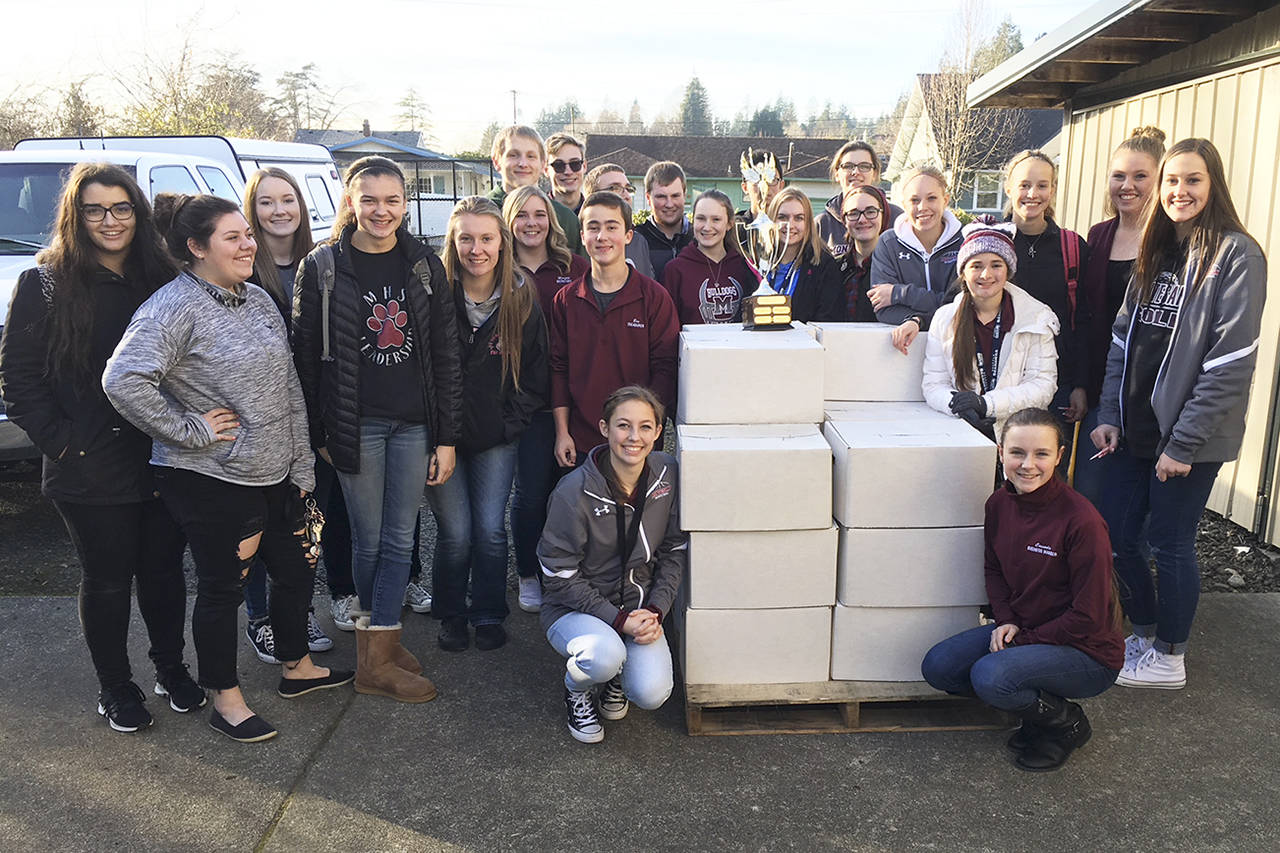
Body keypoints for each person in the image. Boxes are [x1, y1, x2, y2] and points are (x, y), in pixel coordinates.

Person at [103, 193, 353, 744]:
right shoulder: (172, 308)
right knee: (223, 590)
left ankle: (297, 667)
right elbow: (122, 380)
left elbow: (288, 385)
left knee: (294, 573)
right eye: (233, 237)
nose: (248, 244)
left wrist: (301, 463)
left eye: (248, 234)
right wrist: (191, 430)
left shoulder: (258, 300)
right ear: (196, 248)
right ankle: (227, 698)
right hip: (210, 479)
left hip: (278, 472)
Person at [0, 163, 201, 734]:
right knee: (108, 578)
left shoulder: (164, 278)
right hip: (86, 466)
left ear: (138, 213)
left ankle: (171, 668)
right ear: (75, 215)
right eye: (94, 209)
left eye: (121, 208)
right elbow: (19, 381)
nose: (109, 221)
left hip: (163, 455)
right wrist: (65, 446)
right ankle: (116, 686)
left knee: (163, 573)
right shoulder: (45, 283)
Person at [1091, 137, 1267, 690]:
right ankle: (1143, 634)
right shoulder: (1158, 247)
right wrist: (1109, 411)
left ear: (1212, 185)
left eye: (1192, 180)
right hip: (1134, 428)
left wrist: (1183, 445)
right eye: (1172, 180)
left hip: (1186, 438)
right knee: (1119, 537)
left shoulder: (1236, 255)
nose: (1179, 191)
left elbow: (1230, 362)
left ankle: (1170, 657)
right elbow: (1124, 338)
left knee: (1169, 541)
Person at [292, 155, 463, 704]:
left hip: (415, 423)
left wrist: (446, 436)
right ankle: (378, 655)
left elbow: (444, 354)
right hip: (354, 423)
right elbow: (303, 361)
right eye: (369, 200)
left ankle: (379, 647)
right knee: (368, 539)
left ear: (405, 203)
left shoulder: (421, 265)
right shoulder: (321, 267)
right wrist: (319, 429)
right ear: (350, 201)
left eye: (392, 200)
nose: (381, 211)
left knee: (399, 535)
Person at [921, 407, 1123, 772]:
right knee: (940, 667)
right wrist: (1006, 621)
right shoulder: (999, 504)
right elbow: (994, 568)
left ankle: (1066, 724)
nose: (1028, 465)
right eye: (1017, 453)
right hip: (1027, 629)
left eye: (1041, 454)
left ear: (1059, 456)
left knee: (990, 675)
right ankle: (1033, 709)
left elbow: (1089, 617)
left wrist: (1024, 639)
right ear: (1001, 453)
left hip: (1085, 651)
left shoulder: (1082, 521)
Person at [429, 197, 548, 653]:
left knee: (490, 530)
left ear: (502, 243)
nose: (476, 249)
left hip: (496, 438)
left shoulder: (520, 297)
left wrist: (509, 425)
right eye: (466, 238)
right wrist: (436, 432)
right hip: (443, 438)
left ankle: (488, 613)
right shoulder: (434, 295)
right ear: (452, 242)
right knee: (456, 532)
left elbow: (535, 375)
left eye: (486, 238)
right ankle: (452, 613)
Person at [537, 385, 686, 743]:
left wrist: (655, 611)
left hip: (639, 608)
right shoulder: (572, 492)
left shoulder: (668, 473)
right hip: (574, 611)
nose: (634, 437)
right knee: (603, 655)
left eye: (646, 427)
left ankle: (618, 676)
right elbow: (558, 576)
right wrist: (619, 621)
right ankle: (577, 687)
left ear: (658, 432)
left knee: (652, 693)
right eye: (623, 425)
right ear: (604, 428)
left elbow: (674, 550)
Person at [240, 167, 335, 662]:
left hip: (308, 418)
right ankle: (261, 619)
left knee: (302, 520)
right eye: (266, 202)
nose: (279, 211)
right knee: (255, 523)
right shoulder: (239, 266)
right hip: (255, 423)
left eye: (288, 201)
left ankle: (296, 610)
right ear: (251, 210)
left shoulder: (320, 264)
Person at [503, 185, 589, 613]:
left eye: (539, 214)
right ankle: (527, 573)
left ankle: (567, 571)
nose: (531, 223)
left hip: (576, 395)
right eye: (522, 215)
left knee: (571, 491)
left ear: (551, 220)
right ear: (509, 222)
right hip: (528, 401)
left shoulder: (573, 266)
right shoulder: (499, 268)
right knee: (532, 492)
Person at [548, 192, 679, 469]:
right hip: (582, 440)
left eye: (611, 227)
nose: (602, 236)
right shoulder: (566, 300)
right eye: (593, 228)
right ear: (582, 236)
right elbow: (559, 368)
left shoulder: (654, 298)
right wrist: (561, 433)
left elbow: (665, 369)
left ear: (628, 235)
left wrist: (645, 429)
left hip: (636, 443)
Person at [1073, 127, 1167, 506]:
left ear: (1159, 179)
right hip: (1102, 385)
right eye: (1119, 176)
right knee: (1088, 490)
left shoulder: (1170, 240)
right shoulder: (1098, 236)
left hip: (1149, 389)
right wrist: (1080, 382)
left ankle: (1124, 566)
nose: (1127, 186)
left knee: (1132, 505)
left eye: (1140, 176)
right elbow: (1082, 316)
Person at [921, 223, 1058, 440]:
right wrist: (958, 405)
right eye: (976, 265)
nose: (986, 274)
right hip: (961, 432)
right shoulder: (945, 319)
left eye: (996, 265)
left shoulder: (1036, 318)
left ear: (1008, 271)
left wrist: (987, 405)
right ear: (964, 273)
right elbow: (934, 384)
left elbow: (1042, 386)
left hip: (1018, 435)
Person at [1002, 150, 1092, 459]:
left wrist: (1080, 384)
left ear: (1052, 190)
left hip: (1056, 381)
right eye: (1024, 185)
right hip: (999, 379)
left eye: (1042, 185)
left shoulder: (1072, 246)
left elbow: (1082, 320)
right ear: (1009, 188)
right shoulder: (990, 240)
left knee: (1046, 472)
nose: (1032, 194)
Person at [869, 164, 964, 355]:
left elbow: (959, 306)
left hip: (957, 347)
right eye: (914, 200)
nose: (923, 207)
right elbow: (883, 309)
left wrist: (900, 294)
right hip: (906, 351)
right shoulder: (888, 243)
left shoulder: (964, 242)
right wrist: (915, 319)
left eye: (931, 198)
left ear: (945, 200)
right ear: (903, 204)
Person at [661, 189, 759, 325]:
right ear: (693, 221)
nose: (707, 227)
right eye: (701, 218)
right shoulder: (675, 270)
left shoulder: (745, 266)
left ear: (729, 224)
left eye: (716, 219)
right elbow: (667, 325)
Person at [487, 125, 583, 255]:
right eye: (513, 155)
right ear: (497, 162)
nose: (523, 163)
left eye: (531, 156)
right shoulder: (482, 213)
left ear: (543, 163)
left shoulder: (564, 218)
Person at [762, 186, 844, 323]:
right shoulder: (757, 261)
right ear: (771, 220)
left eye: (799, 218)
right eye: (782, 217)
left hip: (804, 342)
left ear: (808, 223)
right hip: (759, 341)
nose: (790, 225)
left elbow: (828, 318)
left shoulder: (824, 265)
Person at [816, 141, 902, 257]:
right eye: (848, 166)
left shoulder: (898, 219)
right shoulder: (821, 224)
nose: (856, 172)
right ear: (837, 174)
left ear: (875, 173)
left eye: (864, 166)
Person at [582, 163, 655, 279]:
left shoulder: (639, 242)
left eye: (628, 189)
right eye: (615, 188)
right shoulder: (582, 246)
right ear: (593, 197)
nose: (626, 195)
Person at [836, 185, 892, 322]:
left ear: (883, 216)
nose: (862, 219)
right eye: (853, 213)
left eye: (871, 211)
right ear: (844, 220)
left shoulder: (896, 268)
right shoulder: (834, 268)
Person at [635, 161, 693, 281]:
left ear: (684, 195)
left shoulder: (699, 238)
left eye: (675, 196)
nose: (669, 204)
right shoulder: (636, 240)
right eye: (661, 197)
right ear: (648, 198)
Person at [734, 148, 786, 264]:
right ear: (745, 187)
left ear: (781, 185)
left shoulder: (790, 229)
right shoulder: (734, 231)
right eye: (755, 180)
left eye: (771, 179)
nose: (765, 188)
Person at [545, 132, 586, 214]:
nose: (568, 172)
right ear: (546, 170)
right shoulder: (537, 215)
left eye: (575, 164)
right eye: (559, 165)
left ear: (584, 166)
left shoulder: (595, 214)